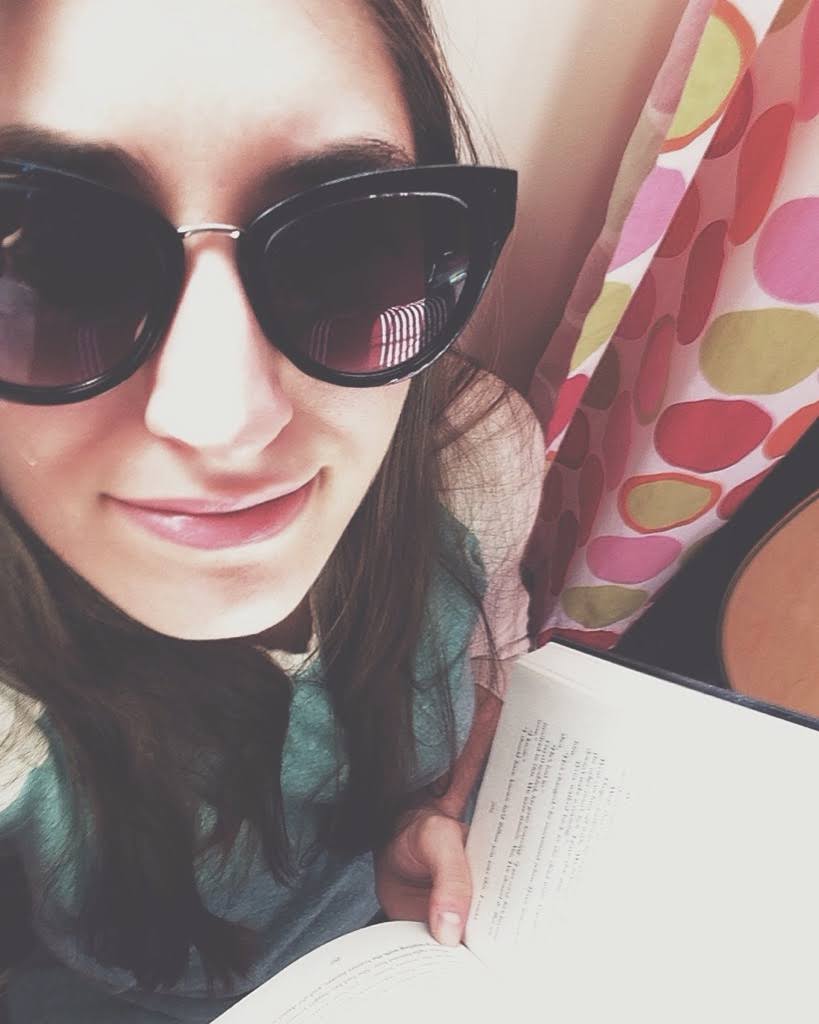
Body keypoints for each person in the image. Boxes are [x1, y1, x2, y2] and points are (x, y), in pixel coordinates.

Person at [0, 0, 545, 1020]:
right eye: (54, 271)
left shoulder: (475, 461)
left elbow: (489, 669)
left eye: (343, 247)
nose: (227, 421)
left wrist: (429, 812)